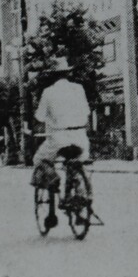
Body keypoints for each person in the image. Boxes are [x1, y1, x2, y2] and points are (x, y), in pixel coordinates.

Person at [32, 58, 92, 228]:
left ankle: (53, 181)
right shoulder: (79, 89)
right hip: (80, 136)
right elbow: (86, 112)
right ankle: (79, 204)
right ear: (68, 73)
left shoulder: (48, 92)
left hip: (58, 138)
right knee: (78, 165)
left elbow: (40, 117)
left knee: (39, 160)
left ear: (52, 76)